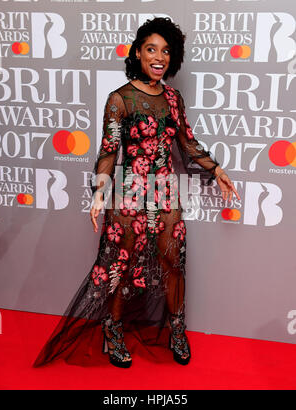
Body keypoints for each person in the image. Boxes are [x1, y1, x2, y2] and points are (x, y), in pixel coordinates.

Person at [32, 17, 240, 370]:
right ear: (139, 54)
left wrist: (217, 170)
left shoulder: (173, 98)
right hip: (128, 193)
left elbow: (187, 143)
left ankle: (176, 331)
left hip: (164, 193)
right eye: (151, 49)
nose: (159, 57)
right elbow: (109, 150)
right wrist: (100, 192)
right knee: (120, 266)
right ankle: (111, 330)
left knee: (174, 263)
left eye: (166, 51)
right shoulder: (120, 99)